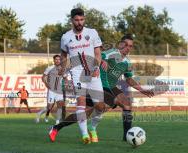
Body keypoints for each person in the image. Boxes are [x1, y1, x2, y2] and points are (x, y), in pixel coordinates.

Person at [49, 34, 154, 143]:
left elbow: (129, 79)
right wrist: (101, 61)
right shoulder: (110, 53)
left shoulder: (127, 62)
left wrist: (142, 90)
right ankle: (58, 127)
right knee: (86, 113)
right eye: (126, 44)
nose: (128, 47)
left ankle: (126, 136)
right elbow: (95, 56)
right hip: (98, 85)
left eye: (130, 46)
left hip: (111, 87)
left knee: (126, 104)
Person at [52, 8, 105, 144]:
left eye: (81, 20)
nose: (79, 22)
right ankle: (85, 135)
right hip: (77, 73)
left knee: (100, 107)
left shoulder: (92, 33)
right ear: (72, 21)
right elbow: (63, 55)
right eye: (76, 20)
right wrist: (63, 68)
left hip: (93, 72)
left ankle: (92, 127)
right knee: (80, 102)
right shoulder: (66, 37)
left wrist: (96, 67)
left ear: (84, 19)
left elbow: (98, 54)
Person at [38, 55, 66, 124]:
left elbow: (65, 78)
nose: (57, 61)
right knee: (49, 107)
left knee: (60, 105)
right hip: (51, 91)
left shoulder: (62, 69)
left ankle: (57, 121)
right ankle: (40, 113)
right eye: (56, 59)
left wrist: (66, 82)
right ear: (53, 60)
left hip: (59, 91)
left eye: (59, 59)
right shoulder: (49, 68)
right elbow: (43, 77)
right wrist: (46, 84)